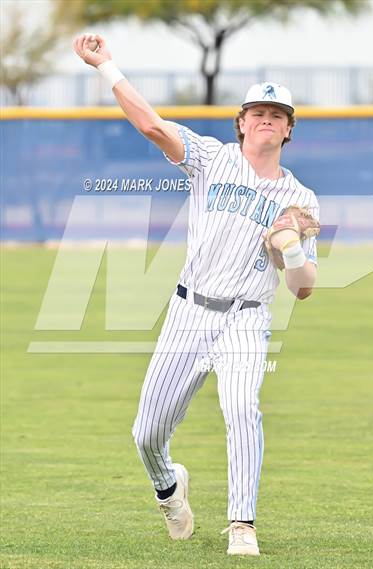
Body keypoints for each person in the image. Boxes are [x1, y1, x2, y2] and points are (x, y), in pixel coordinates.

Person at [73, 33, 319, 557]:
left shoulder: (300, 198)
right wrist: (106, 66)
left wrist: (291, 249)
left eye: (277, 114)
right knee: (147, 432)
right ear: (241, 122)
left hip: (246, 317)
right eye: (257, 112)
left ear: (290, 129)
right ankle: (169, 489)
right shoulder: (211, 158)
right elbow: (151, 125)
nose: (266, 120)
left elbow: (302, 290)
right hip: (189, 309)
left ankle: (242, 525)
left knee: (241, 408)